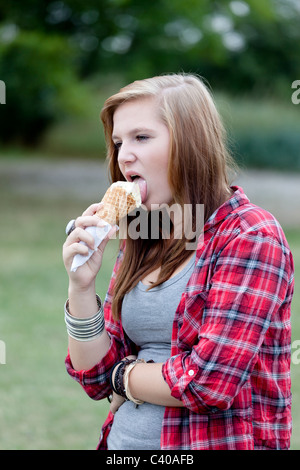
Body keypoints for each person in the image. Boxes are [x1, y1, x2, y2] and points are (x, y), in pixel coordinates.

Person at [63, 73, 294, 450]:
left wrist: (125, 377)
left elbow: (208, 383)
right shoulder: (144, 230)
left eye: (142, 137)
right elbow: (96, 376)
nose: (124, 155)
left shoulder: (250, 235)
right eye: (118, 142)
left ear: (190, 142)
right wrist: (81, 286)